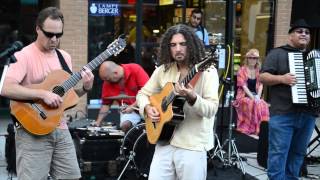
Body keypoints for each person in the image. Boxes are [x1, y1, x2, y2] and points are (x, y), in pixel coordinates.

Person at [0, 7, 94, 179]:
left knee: (72, 176)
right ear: (37, 28)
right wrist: (42, 94)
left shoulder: (64, 57)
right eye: (49, 34)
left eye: (59, 35)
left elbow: (66, 97)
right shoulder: (23, 55)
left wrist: (86, 88)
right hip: (32, 129)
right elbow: (5, 88)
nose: (54, 39)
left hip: (60, 128)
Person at [136, 24, 219, 180]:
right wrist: (147, 108)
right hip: (164, 142)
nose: (178, 49)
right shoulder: (163, 70)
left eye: (182, 44)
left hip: (192, 146)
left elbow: (211, 109)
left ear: (192, 45)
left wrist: (192, 97)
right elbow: (142, 94)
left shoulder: (207, 71)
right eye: (173, 45)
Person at [260, 19, 316, 179]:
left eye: (307, 32)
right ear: (290, 36)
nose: (304, 34)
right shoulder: (277, 53)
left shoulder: (314, 58)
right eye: (299, 31)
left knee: (298, 154)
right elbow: (263, 77)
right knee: (278, 155)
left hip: (308, 115)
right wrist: (282, 79)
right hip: (283, 114)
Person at [95, 61, 149, 133]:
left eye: (108, 79)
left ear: (115, 73)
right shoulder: (107, 82)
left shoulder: (135, 69)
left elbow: (148, 92)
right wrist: (98, 123)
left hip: (147, 106)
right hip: (130, 111)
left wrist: (132, 106)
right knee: (125, 126)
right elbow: (106, 104)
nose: (106, 82)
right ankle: (131, 143)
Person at [232, 48, 269, 135]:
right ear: (247, 59)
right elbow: (244, 86)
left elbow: (261, 85)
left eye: (255, 58)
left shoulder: (258, 70)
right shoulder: (242, 70)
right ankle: (251, 129)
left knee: (263, 104)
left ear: (257, 60)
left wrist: (258, 97)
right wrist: (253, 98)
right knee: (252, 103)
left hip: (256, 95)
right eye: (250, 58)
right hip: (244, 96)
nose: (252, 60)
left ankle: (260, 129)